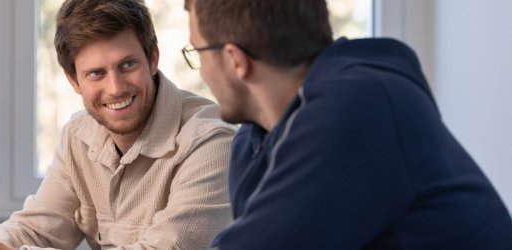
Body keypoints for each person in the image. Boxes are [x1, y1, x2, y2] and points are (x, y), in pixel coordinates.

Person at [183, 0, 512, 249]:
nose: (201, 69)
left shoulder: (360, 103)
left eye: (197, 51)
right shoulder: (257, 138)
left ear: (235, 60)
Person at [0, 0, 235, 249]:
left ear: (153, 58)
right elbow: (36, 229)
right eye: (96, 73)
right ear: (74, 81)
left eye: (128, 65)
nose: (116, 88)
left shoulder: (210, 140)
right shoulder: (79, 135)